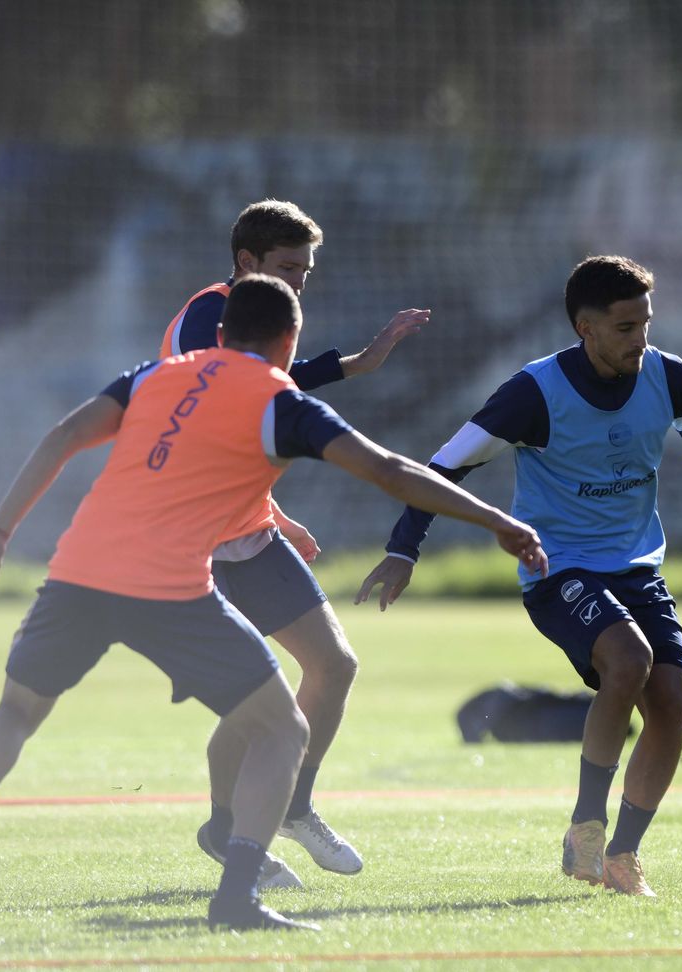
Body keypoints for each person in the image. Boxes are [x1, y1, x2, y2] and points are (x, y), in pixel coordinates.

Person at [0, 275, 547, 931]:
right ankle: (237, 895)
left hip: (78, 572)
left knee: (17, 709)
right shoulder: (279, 401)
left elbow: (66, 433)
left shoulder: (153, 376)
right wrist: (494, 519)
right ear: (288, 342)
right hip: (167, 589)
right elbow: (389, 470)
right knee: (283, 729)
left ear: (219, 334)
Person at [356, 255, 682, 897]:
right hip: (556, 572)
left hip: (637, 571)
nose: (641, 339)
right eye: (626, 327)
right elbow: (443, 467)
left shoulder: (669, 377)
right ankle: (586, 826)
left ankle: (621, 856)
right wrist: (403, 549)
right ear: (586, 327)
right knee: (628, 660)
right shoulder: (535, 393)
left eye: (646, 324)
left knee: (671, 704)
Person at [161, 200, 428, 887]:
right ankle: (229, 833)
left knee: (332, 667)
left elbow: (261, 397)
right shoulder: (208, 312)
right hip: (197, 540)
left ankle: (291, 806)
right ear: (248, 263)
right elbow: (222, 403)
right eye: (287, 267)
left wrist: (358, 364)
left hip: (247, 529)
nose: (299, 282)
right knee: (261, 699)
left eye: (305, 271)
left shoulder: (267, 325)